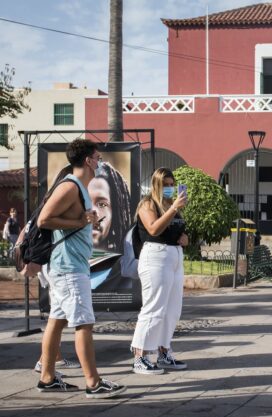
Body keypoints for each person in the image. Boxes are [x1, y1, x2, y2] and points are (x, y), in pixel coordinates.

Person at [34, 138, 126, 398]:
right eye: (97, 158)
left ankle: (47, 377)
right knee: (84, 323)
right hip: (69, 268)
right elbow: (44, 219)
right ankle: (93, 382)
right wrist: (79, 221)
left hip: (68, 266)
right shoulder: (71, 186)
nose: (99, 163)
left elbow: (70, 219)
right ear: (87, 160)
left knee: (57, 320)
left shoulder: (78, 187)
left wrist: (85, 221)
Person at [130, 167, 188, 374]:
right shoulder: (148, 203)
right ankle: (140, 356)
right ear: (157, 184)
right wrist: (173, 209)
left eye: (173, 185)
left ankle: (164, 352)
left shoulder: (170, 205)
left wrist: (185, 239)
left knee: (172, 309)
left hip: (174, 256)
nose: (170, 189)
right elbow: (153, 228)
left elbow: (178, 231)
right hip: (155, 256)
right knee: (153, 308)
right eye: (166, 185)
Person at [89, 161, 131, 252]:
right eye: (83, 201)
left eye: (102, 204)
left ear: (114, 212)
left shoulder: (126, 259)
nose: (93, 211)